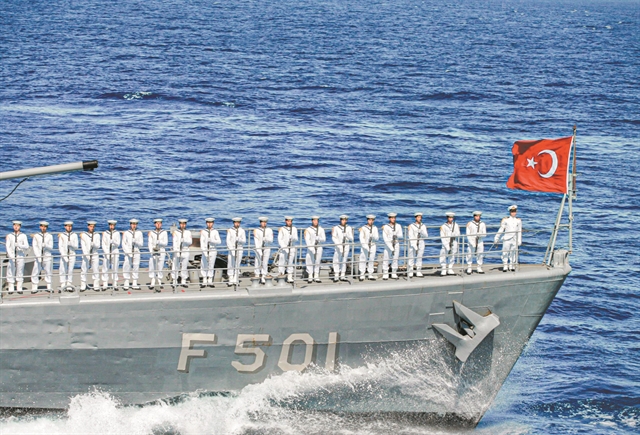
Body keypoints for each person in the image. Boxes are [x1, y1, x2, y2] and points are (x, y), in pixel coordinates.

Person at [495, 205, 522, 272]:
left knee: (513, 252)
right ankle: (505, 265)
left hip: (514, 239)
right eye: (512, 211)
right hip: (507, 238)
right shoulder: (506, 220)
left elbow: (519, 231)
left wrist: (519, 240)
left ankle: (511, 265)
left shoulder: (518, 221)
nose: (513, 213)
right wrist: (497, 237)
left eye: (514, 211)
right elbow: (501, 229)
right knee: (505, 252)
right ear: (510, 212)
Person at [5, 220, 29, 294]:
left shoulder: (23, 235)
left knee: (20, 271)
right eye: (15, 225)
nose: (16, 227)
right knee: (10, 271)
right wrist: (10, 255)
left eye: (17, 225)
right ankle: (11, 288)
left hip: (20, 255)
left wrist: (19, 245)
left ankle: (19, 288)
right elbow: (7, 246)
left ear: (20, 227)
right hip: (12, 255)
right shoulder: (10, 235)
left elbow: (27, 246)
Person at [31, 221, 53, 293]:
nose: (43, 228)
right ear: (40, 227)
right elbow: (34, 246)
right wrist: (38, 256)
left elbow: (51, 247)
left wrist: (46, 245)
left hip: (47, 256)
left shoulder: (49, 236)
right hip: (38, 256)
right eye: (42, 226)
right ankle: (34, 286)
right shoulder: (36, 236)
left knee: (48, 271)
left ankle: (49, 286)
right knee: (36, 271)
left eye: (45, 227)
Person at [122, 218, 144, 290]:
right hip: (128, 252)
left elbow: (141, 244)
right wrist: (128, 252)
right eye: (132, 224)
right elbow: (123, 244)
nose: (134, 226)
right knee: (127, 266)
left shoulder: (139, 233)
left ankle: (135, 282)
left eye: (135, 224)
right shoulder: (126, 233)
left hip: (136, 251)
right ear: (130, 224)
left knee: (136, 266)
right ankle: (126, 282)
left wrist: (136, 242)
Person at [80, 221, 101, 291]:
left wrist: (94, 244)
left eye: (93, 227)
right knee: (84, 269)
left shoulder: (97, 235)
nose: (92, 228)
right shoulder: (84, 235)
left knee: (96, 269)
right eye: (90, 226)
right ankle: (83, 285)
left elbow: (98, 246)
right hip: (86, 254)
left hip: (94, 253)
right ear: (88, 226)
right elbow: (83, 246)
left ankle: (96, 285)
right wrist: (86, 255)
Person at [148, 218, 168, 291]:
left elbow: (165, 243)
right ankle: (153, 280)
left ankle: (159, 280)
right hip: (154, 250)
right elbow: (149, 243)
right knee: (152, 265)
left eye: (160, 223)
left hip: (161, 250)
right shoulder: (152, 232)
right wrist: (151, 251)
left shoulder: (164, 232)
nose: (158, 225)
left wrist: (160, 242)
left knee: (160, 265)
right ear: (155, 224)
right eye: (157, 223)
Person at [332, 215, 354, 282]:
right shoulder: (336, 228)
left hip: (346, 245)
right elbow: (334, 237)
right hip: (338, 245)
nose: (344, 221)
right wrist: (339, 245)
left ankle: (342, 275)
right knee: (336, 260)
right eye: (342, 220)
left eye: (345, 220)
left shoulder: (349, 228)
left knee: (344, 260)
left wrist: (347, 235)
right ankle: (336, 275)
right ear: (340, 220)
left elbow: (351, 238)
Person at [304, 216, 326, 283]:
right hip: (311, 247)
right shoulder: (308, 229)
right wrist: (311, 248)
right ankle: (310, 275)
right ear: (312, 221)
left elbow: (324, 239)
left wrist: (319, 238)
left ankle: (316, 275)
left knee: (317, 261)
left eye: (317, 220)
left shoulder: (321, 229)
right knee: (309, 261)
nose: (316, 222)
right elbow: (307, 240)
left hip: (318, 247)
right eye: (314, 220)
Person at [200, 217, 221, 288]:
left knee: (211, 265)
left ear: (213, 223)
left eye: (211, 223)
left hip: (212, 249)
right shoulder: (203, 232)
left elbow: (219, 241)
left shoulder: (215, 231)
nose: (209, 224)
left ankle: (210, 279)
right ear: (206, 223)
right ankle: (204, 279)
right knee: (204, 264)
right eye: (208, 223)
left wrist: (212, 240)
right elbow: (202, 243)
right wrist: (204, 252)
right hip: (205, 250)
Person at [58, 221, 79, 291]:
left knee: (70, 270)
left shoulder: (74, 235)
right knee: (62, 269)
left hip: (72, 254)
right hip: (64, 254)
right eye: (67, 226)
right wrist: (64, 256)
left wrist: (71, 244)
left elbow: (76, 247)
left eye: (70, 226)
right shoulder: (62, 235)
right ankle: (63, 283)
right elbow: (60, 247)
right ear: (65, 227)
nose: (69, 228)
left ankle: (69, 284)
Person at [382, 213, 403, 280]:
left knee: (395, 258)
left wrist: (396, 234)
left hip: (396, 243)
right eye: (392, 218)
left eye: (394, 218)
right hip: (388, 243)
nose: (393, 219)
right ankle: (385, 273)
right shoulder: (386, 227)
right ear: (389, 219)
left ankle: (394, 272)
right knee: (386, 258)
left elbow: (401, 235)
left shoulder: (398, 226)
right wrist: (390, 246)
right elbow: (385, 237)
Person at [172, 218, 192, 287]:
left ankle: (183, 280)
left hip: (185, 250)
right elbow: (174, 242)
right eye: (181, 224)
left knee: (184, 266)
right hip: (178, 250)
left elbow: (190, 242)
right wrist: (176, 250)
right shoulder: (176, 232)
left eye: (184, 224)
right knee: (175, 266)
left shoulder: (188, 232)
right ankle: (174, 280)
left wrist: (184, 240)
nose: (182, 225)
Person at [407, 212, 429, 278]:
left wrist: (421, 231)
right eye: (418, 217)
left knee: (419, 257)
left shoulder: (423, 226)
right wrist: (414, 244)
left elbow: (426, 236)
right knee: (411, 257)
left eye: (420, 217)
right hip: (413, 242)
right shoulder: (412, 226)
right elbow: (410, 235)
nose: (419, 218)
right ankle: (410, 271)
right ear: (416, 218)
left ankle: (418, 271)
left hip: (421, 242)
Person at [253, 217, 273, 284]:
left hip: (266, 247)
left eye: (265, 222)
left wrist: (266, 239)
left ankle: (264, 275)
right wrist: (258, 249)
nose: (264, 224)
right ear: (260, 222)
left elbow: (271, 240)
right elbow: (256, 240)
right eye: (262, 222)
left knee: (265, 262)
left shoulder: (269, 230)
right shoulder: (257, 230)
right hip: (259, 247)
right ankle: (257, 275)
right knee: (257, 262)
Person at [358, 215, 379, 281]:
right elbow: (361, 238)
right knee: (363, 259)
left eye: (372, 220)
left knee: (371, 259)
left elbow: (377, 238)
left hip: (372, 245)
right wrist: (365, 246)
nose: (371, 221)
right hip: (365, 245)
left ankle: (370, 274)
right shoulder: (363, 228)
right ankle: (362, 274)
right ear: (367, 220)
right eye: (369, 220)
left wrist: (373, 236)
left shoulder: (375, 228)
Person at [226, 217, 246, 285]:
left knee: (237, 263)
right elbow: (228, 241)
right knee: (230, 263)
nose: (237, 224)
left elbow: (244, 241)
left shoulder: (242, 231)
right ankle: (230, 278)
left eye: (238, 223)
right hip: (232, 248)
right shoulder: (230, 230)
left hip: (239, 248)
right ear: (234, 223)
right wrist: (231, 249)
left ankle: (235, 277)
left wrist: (239, 240)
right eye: (236, 222)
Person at [278, 216, 298, 283]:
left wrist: (293, 238)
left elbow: (296, 238)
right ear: (285, 221)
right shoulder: (282, 229)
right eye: (288, 221)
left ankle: (290, 276)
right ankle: (281, 275)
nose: (289, 222)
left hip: (291, 247)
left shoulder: (294, 229)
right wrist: (284, 247)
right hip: (284, 247)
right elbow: (280, 239)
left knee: (290, 262)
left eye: (290, 221)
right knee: (282, 261)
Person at [102, 220, 121, 290]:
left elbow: (118, 244)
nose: (111, 227)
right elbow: (103, 244)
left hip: (114, 252)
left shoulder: (117, 233)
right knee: (105, 268)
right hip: (107, 252)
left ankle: (115, 283)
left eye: (113, 225)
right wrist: (106, 252)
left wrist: (113, 242)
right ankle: (105, 283)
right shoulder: (105, 233)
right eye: (110, 225)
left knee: (115, 268)